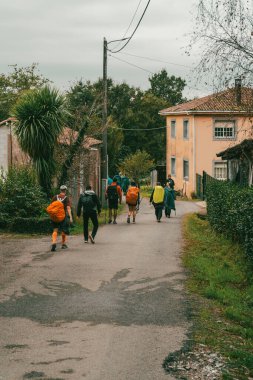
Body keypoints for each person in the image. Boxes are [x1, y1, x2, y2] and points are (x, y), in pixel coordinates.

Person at [51, 185, 73, 252]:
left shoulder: (55, 197)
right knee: (64, 230)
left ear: (60, 190)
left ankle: (54, 242)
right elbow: (68, 208)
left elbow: (51, 206)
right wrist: (71, 217)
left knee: (55, 230)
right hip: (62, 216)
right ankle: (63, 244)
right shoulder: (66, 198)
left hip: (55, 216)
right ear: (65, 191)